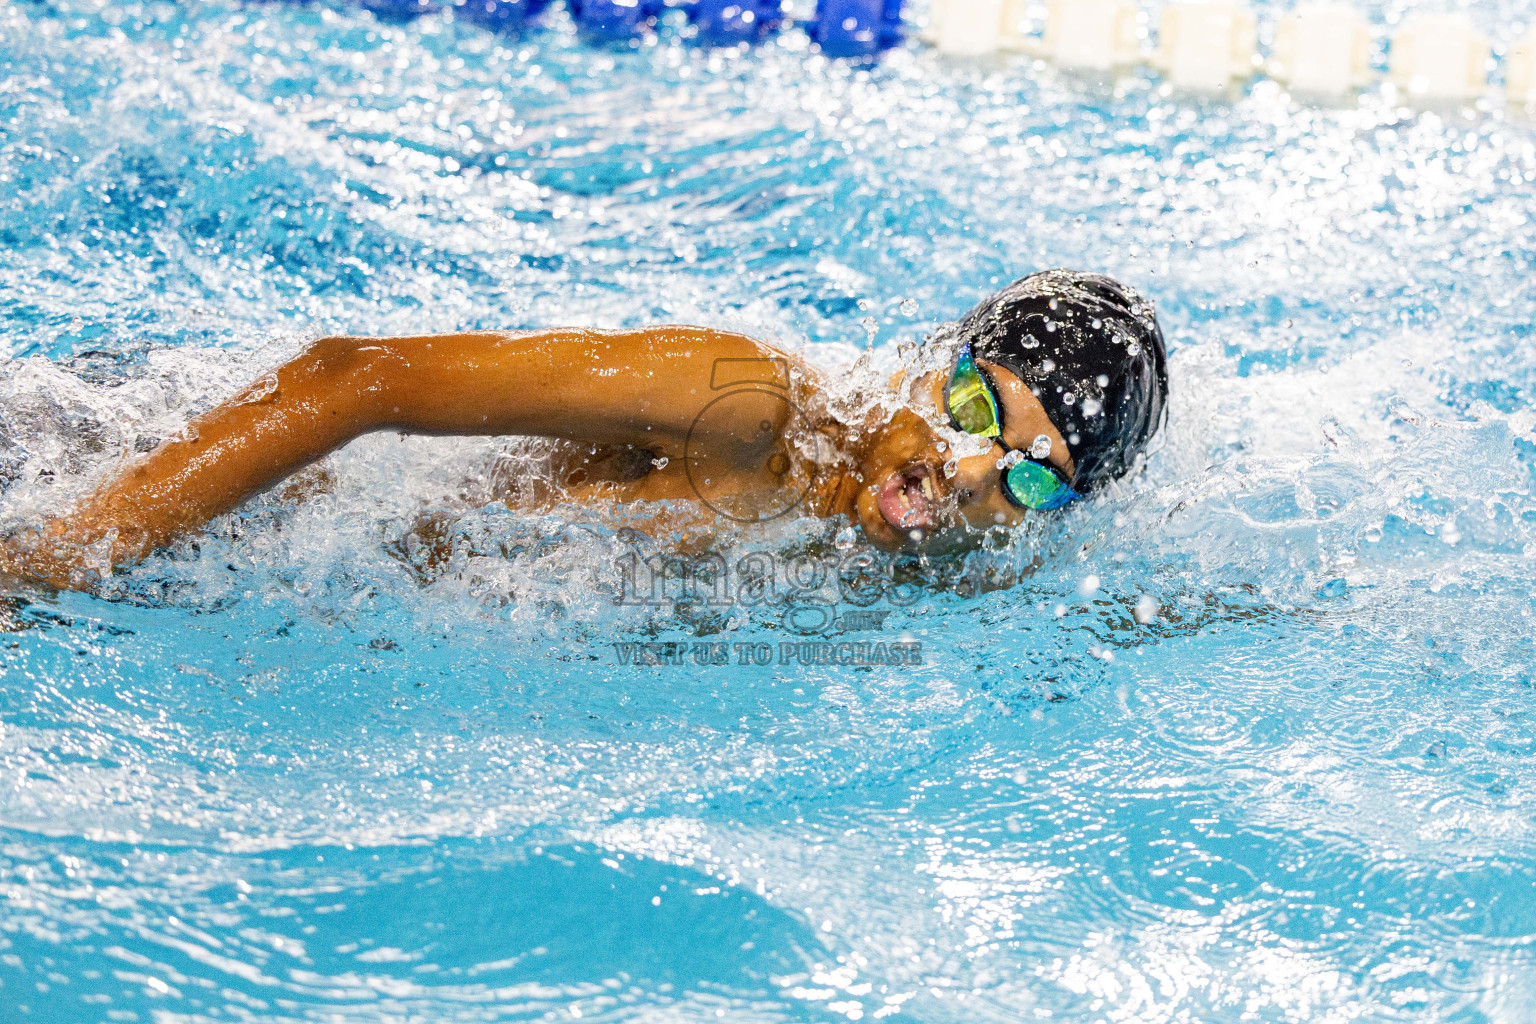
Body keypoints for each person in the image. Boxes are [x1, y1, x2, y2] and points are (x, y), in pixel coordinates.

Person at [0, 269, 1168, 592]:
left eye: (1033, 482)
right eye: (974, 411)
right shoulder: (747, 407)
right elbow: (349, 380)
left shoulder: (944, 549)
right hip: (131, 465)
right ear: (933, 357)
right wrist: (62, 551)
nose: (963, 477)